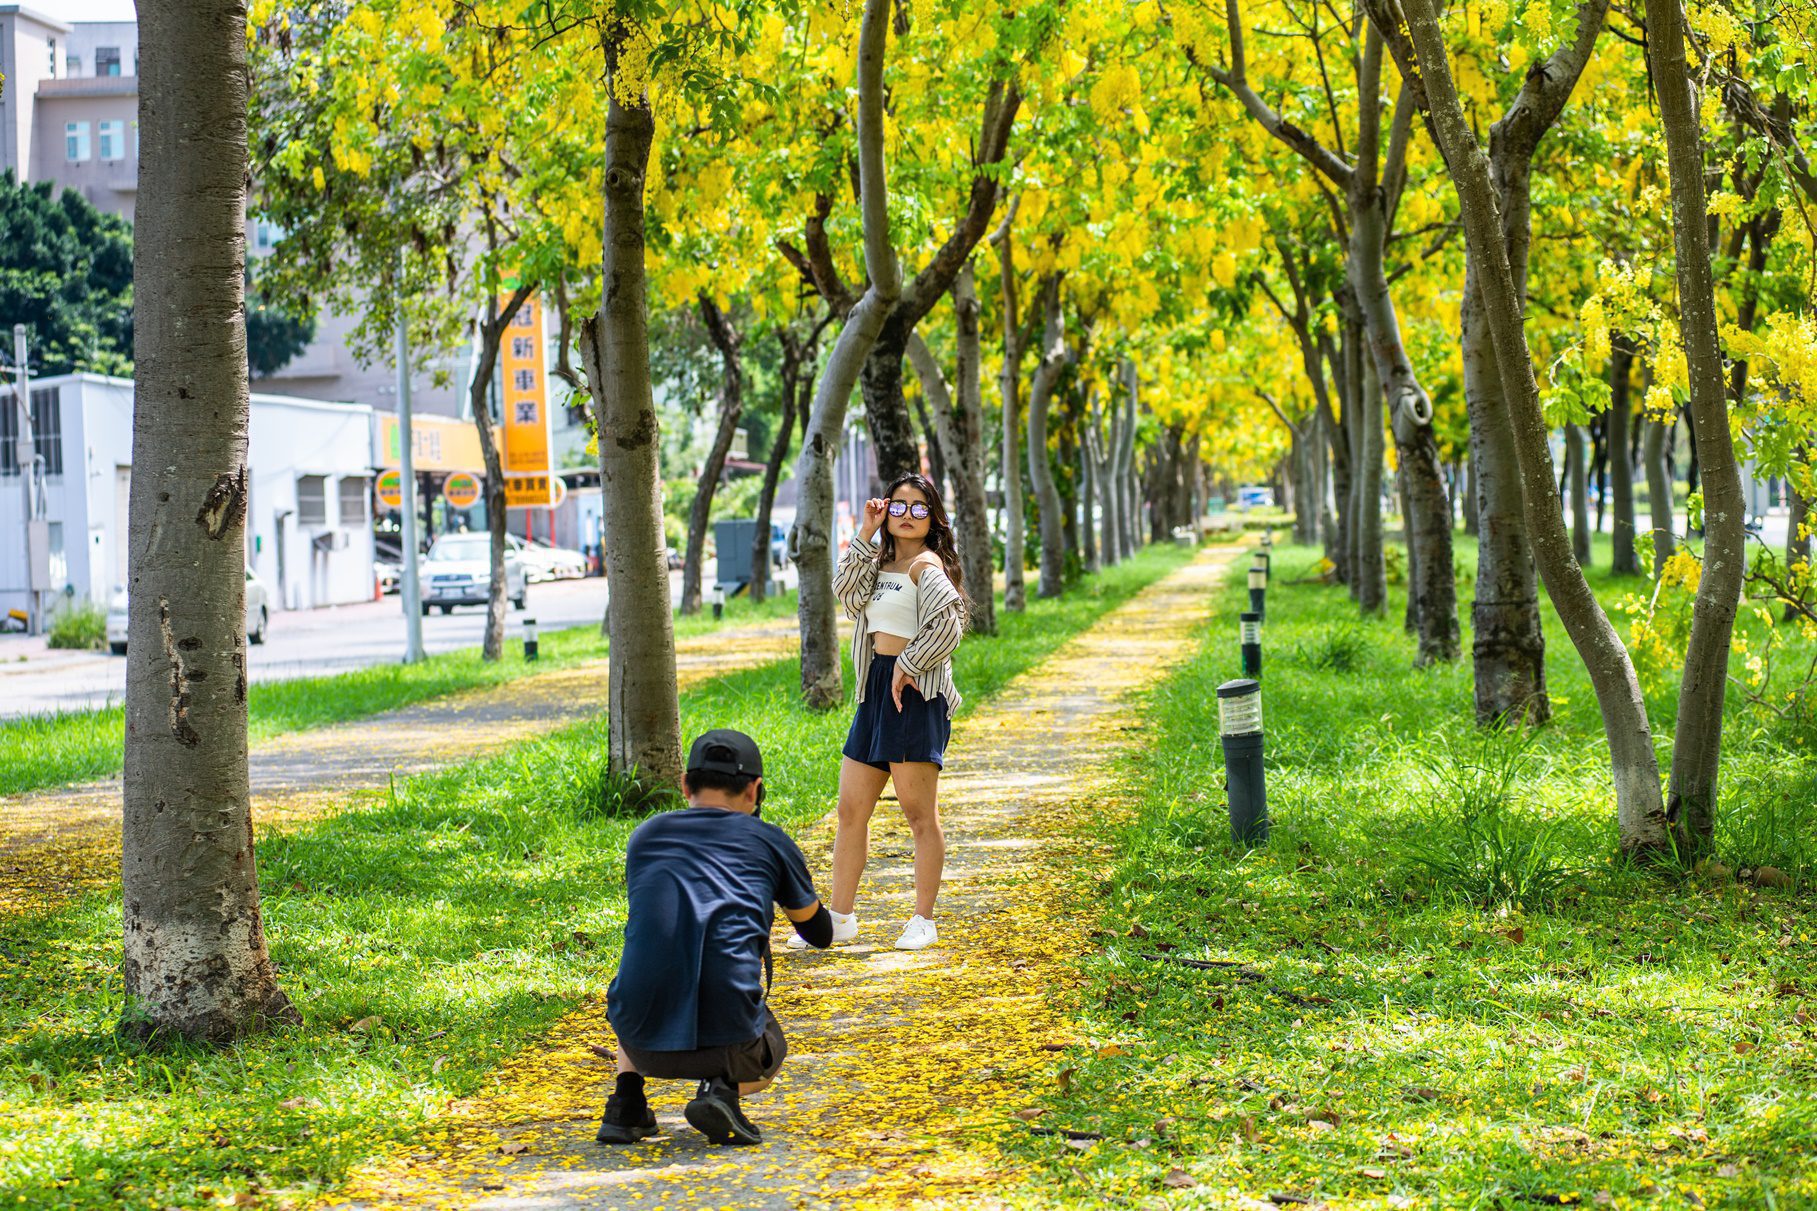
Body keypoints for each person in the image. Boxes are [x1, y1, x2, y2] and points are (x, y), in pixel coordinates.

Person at [597, 729, 833, 1147]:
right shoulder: (769, 840)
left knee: (646, 963)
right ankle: (721, 1091)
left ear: (685, 786)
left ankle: (625, 1105)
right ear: (755, 791)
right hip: (732, 1043)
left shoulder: (645, 837)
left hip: (640, 1037)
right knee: (771, 1047)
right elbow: (818, 933)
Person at [789, 472, 967, 953]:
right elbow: (845, 593)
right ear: (885, 508)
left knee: (918, 814)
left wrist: (909, 664)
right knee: (851, 809)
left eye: (918, 507)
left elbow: (951, 623)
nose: (907, 515)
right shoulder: (881, 560)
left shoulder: (926, 567)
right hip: (874, 694)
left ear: (933, 519)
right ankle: (839, 917)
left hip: (913, 698)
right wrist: (865, 532)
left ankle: (922, 920)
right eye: (898, 505)